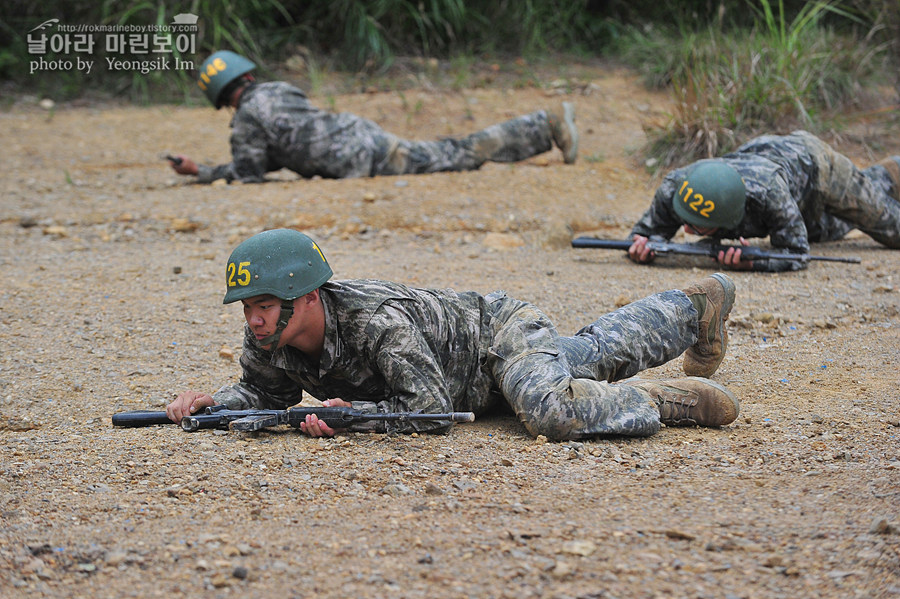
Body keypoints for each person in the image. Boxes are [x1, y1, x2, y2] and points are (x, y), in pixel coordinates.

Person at [166, 228, 742, 441]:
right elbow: (265, 395)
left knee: (548, 408)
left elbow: (430, 410)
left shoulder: (376, 323)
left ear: (309, 296)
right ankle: (695, 308)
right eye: (247, 308)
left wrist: (351, 414)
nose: (254, 320)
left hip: (496, 336)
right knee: (587, 356)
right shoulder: (270, 338)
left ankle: (662, 403)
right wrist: (216, 402)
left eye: (265, 306)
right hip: (476, 388)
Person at [169, 50, 579, 184]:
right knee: (451, 149)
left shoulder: (244, 120)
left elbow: (251, 171)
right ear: (246, 72)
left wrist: (205, 172)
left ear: (222, 96)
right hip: (359, 133)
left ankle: (545, 125)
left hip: (355, 158)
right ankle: (543, 126)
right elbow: (284, 148)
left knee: (458, 154)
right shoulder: (277, 89)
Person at [628, 130, 900, 272]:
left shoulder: (769, 195)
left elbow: (797, 253)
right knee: (822, 231)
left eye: (698, 227)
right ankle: (881, 178)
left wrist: (753, 263)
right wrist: (640, 248)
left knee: (890, 227)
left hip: (817, 166)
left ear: (733, 220)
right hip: (766, 160)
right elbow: (641, 235)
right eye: (684, 219)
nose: (686, 230)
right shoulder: (677, 187)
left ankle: (889, 174)